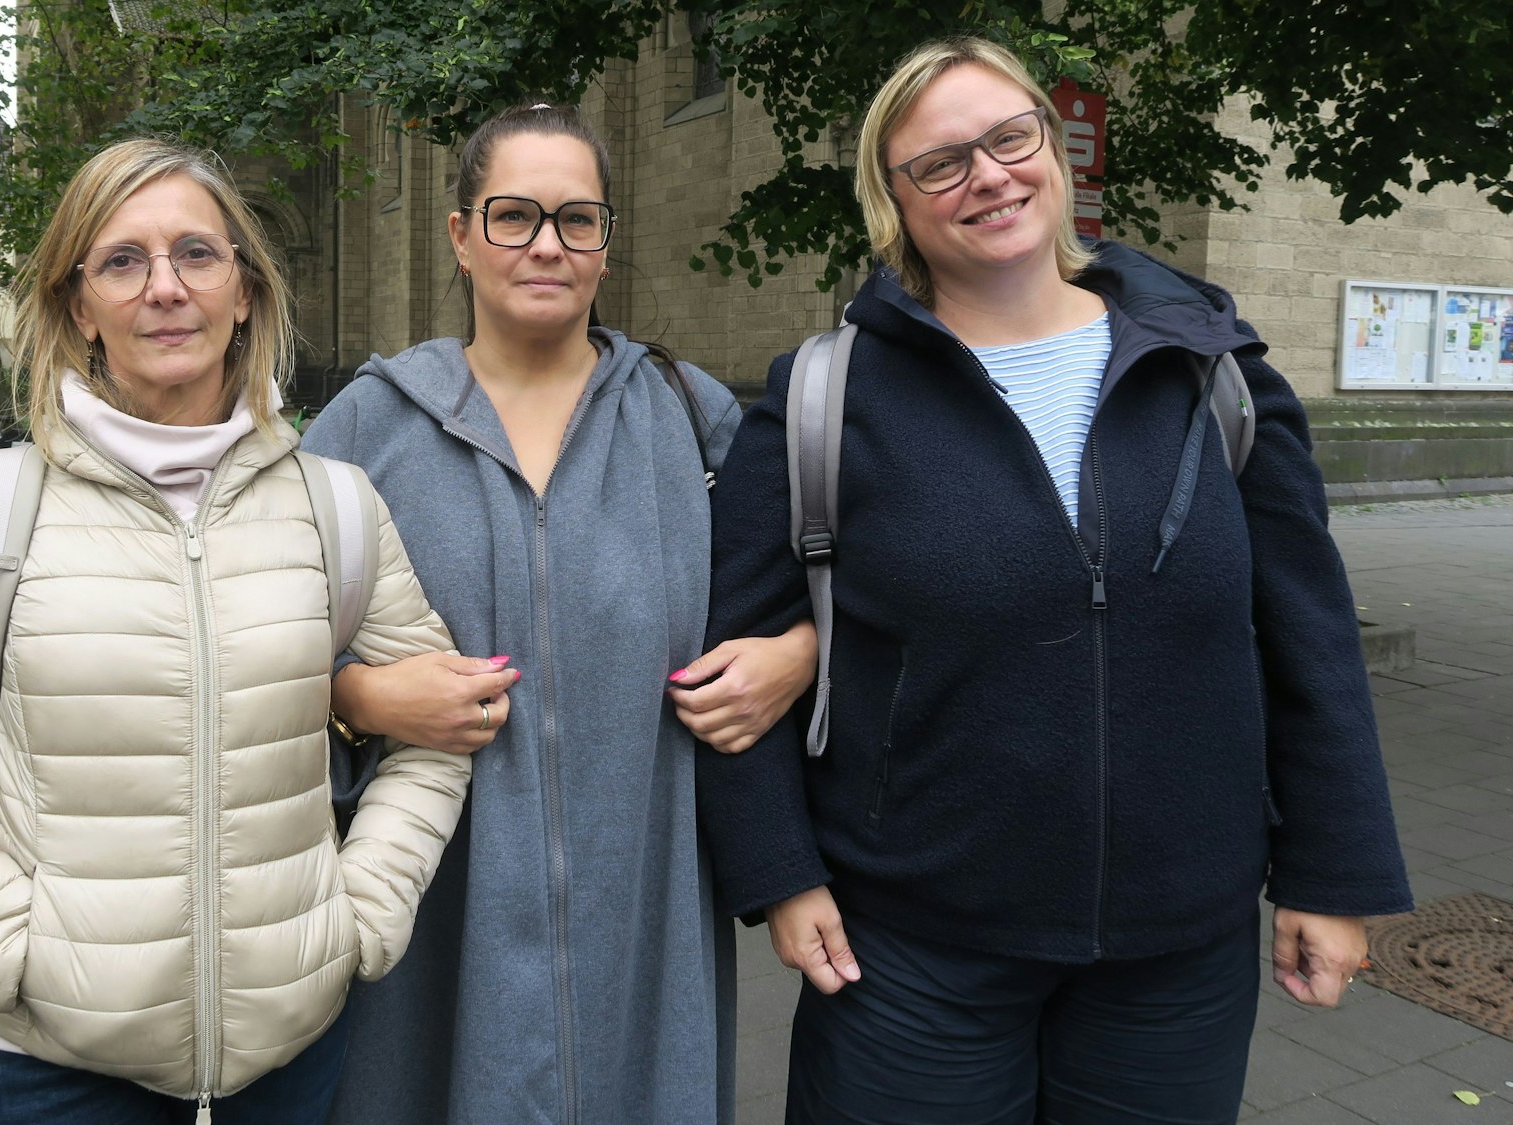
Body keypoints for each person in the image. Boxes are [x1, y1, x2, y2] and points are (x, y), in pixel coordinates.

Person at [697, 36, 1413, 1124]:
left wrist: (1333, 873)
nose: (984, 175)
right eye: (937, 163)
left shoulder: (1214, 372)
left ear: (1053, 148)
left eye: (1006, 137)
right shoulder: (819, 400)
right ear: (890, 201)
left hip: (1175, 954)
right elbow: (732, 670)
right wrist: (779, 875)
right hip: (909, 949)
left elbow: (1305, 636)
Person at [0, 138, 471, 1124]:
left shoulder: (337, 508)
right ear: (77, 305)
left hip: (286, 1060)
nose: (164, 288)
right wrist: (7, 944)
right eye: (122, 260)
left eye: (196, 255)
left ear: (244, 291)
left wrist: (360, 919)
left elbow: (439, 733)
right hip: (47, 1067)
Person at [300, 102, 817, 1125]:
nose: (546, 244)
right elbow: (238, 639)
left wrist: (795, 656)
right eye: (513, 216)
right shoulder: (363, 429)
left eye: (577, 219)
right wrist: (357, 695)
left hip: (644, 910)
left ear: (606, 241)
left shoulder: (693, 418)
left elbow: (849, 590)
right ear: (458, 235)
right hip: (435, 912)